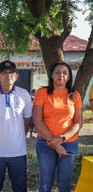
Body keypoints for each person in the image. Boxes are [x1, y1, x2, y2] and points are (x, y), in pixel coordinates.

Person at [0, 60, 32, 192]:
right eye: (4, 73)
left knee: (20, 187)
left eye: (11, 73)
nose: (8, 75)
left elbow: (27, 119)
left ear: (16, 76)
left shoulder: (24, 94)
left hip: (18, 151)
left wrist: (19, 135)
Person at [33, 62, 82, 192]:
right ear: (52, 75)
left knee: (64, 183)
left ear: (69, 77)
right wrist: (54, 143)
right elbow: (37, 120)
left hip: (69, 143)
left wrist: (61, 139)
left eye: (65, 72)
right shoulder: (42, 92)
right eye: (57, 72)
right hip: (45, 142)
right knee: (45, 182)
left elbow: (78, 123)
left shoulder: (75, 95)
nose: (61, 75)